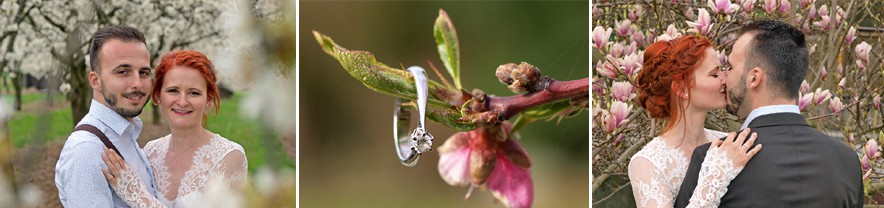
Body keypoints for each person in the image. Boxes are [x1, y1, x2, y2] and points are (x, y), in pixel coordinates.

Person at [674, 20, 863, 207]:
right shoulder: (847, 161)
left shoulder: (713, 161)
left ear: (754, 78)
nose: (725, 78)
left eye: (729, 67)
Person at [100, 50, 248, 207]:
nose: (182, 102)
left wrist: (137, 196)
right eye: (173, 91)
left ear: (208, 100)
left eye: (194, 93)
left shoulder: (230, 157)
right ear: (157, 96)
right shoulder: (150, 152)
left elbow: (138, 197)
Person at [628, 35, 763, 208]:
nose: (725, 79)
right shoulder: (647, 164)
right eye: (714, 74)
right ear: (681, 89)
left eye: (723, 69)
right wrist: (716, 177)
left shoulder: (729, 143)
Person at [55, 25, 159, 207]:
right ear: (96, 81)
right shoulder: (87, 150)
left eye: (144, 72)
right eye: (123, 72)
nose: (137, 83)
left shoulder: (125, 135)